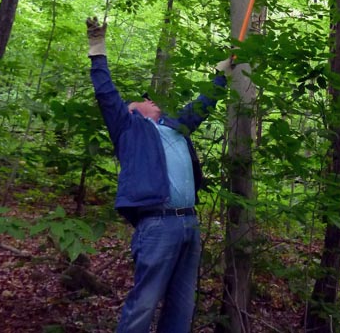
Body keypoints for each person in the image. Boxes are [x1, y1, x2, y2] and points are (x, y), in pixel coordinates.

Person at [86, 17, 231, 332]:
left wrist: (223, 74)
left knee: (182, 306)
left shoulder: (176, 126)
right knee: (145, 304)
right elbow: (106, 94)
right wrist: (97, 49)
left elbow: (203, 104)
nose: (152, 101)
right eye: (144, 101)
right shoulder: (128, 128)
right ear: (133, 110)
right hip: (157, 223)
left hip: (189, 222)